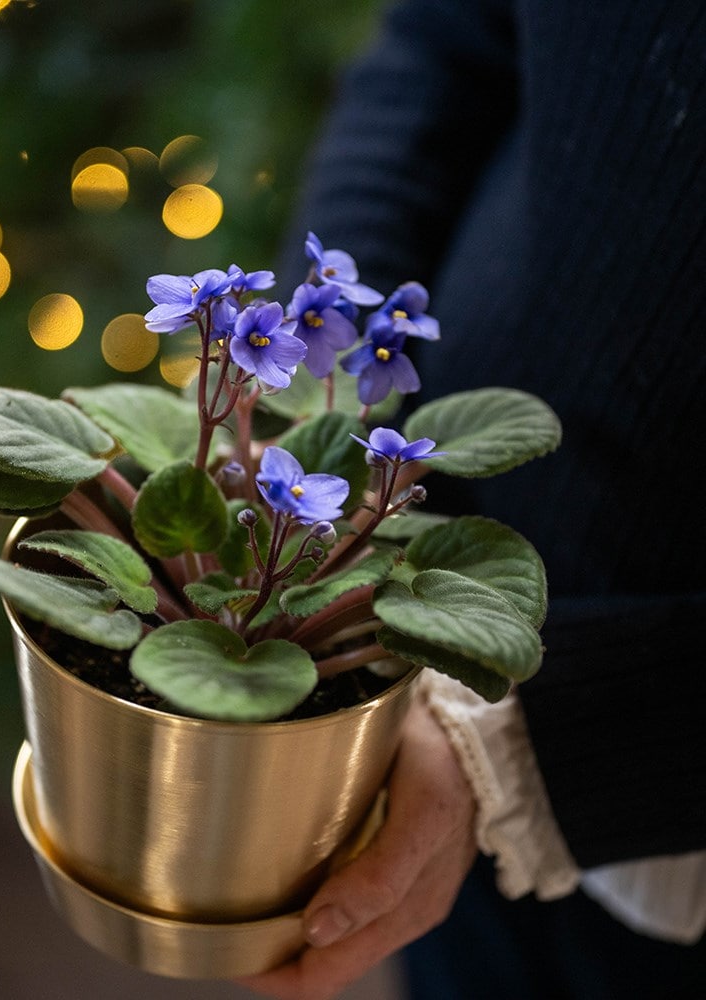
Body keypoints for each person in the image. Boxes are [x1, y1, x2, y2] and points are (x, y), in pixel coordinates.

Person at [241, 1, 706, 997]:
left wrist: (531, 749)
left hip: (641, 820)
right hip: (419, 679)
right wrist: (310, 383)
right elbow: (446, 41)